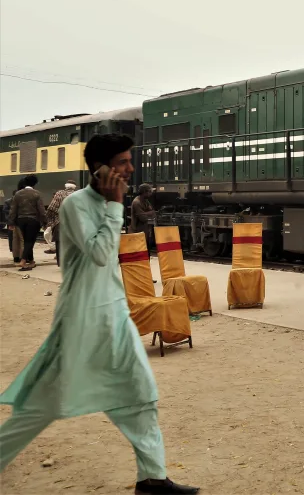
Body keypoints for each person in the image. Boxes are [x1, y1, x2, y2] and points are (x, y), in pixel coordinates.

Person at [0, 134, 199, 494]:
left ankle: (152, 478)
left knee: (141, 393)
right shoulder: (77, 205)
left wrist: (113, 207)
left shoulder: (107, 203)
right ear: (101, 167)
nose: (130, 168)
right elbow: (100, 253)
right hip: (81, 319)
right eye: (122, 162)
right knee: (42, 405)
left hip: (114, 316)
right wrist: (114, 207)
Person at [9, 174, 48, 271]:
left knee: (27, 240)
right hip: (33, 220)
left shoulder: (18, 194)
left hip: (21, 220)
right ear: (35, 183)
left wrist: (11, 222)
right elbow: (41, 210)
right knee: (29, 241)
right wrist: (45, 223)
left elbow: (13, 209)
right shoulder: (37, 194)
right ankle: (23, 261)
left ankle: (31, 261)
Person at [45, 180, 78, 267]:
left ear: (66, 186)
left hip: (60, 222)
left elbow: (51, 208)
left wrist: (50, 221)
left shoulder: (59, 193)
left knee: (60, 243)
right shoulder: (78, 195)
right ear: (74, 187)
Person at [130, 184, 157, 249]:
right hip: (137, 232)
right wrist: (149, 213)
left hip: (144, 232)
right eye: (150, 192)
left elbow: (153, 213)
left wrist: (146, 213)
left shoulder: (145, 201)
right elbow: (143, 218)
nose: (151, 194)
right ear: (145, 192)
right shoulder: (137, 202)